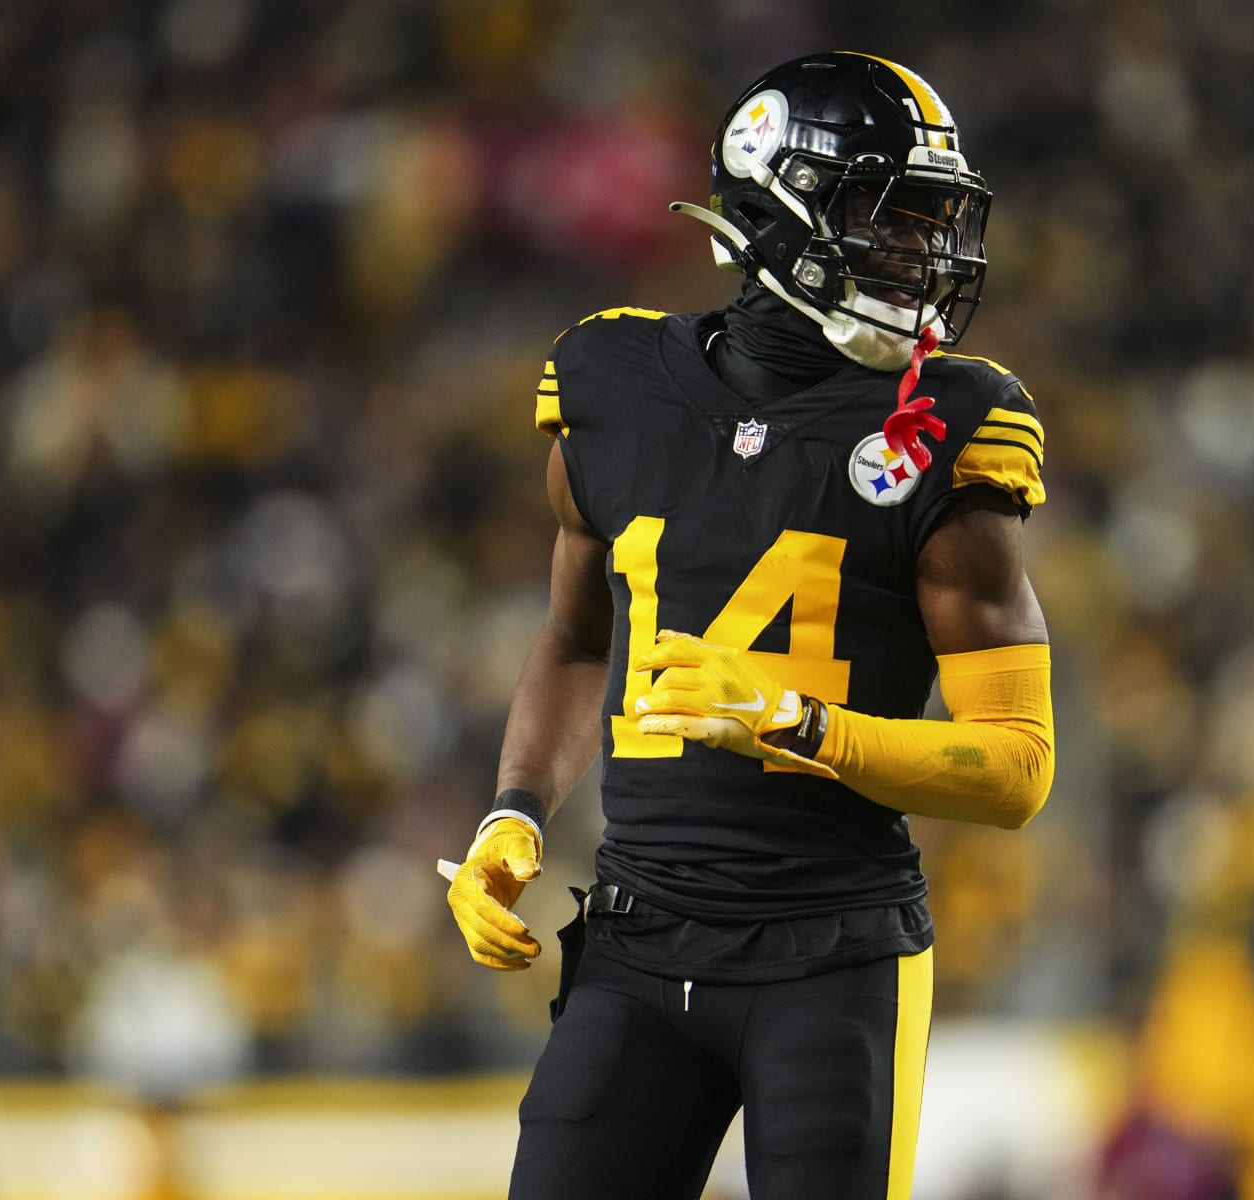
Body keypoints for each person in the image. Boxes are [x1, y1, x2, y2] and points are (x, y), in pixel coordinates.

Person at [441, 51, 1055, 1200]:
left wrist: (803, 725)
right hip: (635, 937)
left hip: (835, 956)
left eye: (932, 223)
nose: (922, 254)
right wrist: (512, 812)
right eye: (888, 220)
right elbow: (578, 641)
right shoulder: (614, 380)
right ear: (773, 216)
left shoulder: (952, 426)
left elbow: (1019, 769)